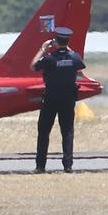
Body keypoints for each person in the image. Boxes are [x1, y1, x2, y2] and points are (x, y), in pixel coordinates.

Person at [29, 27, 85, 173]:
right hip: (68, 99)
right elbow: (79, 63)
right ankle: (68, 166)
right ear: (67, 40)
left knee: (43, 132)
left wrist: (42, 49)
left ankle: (40, 166)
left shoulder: (49, 58)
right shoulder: (74, 57)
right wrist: (67, 48)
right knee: (67, 132)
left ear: (55, 41)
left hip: (50, 99)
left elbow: (33, 66)